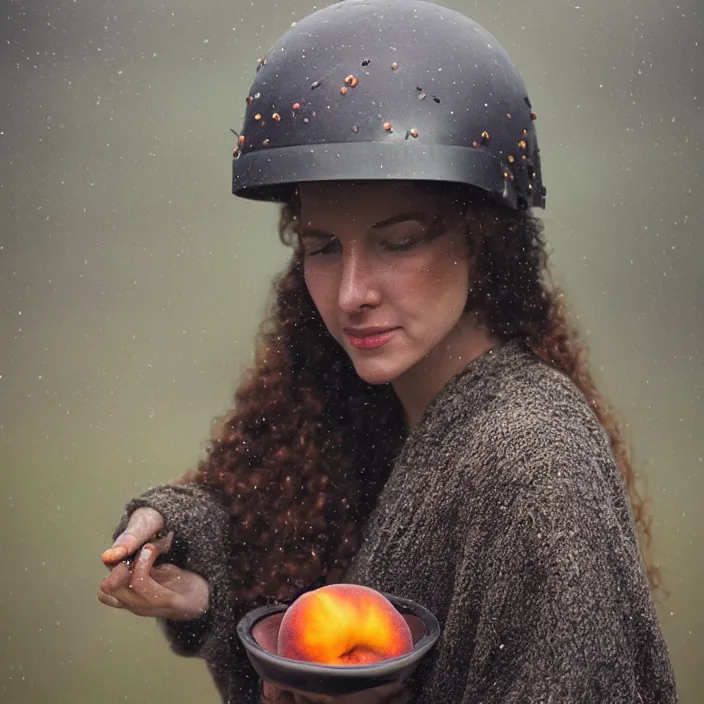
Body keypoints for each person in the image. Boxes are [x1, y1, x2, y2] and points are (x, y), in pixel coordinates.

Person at [97, 1, 677, 702]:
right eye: (322, 247)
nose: (350, 293)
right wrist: (195, 559)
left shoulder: (534, 462)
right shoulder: (368, 411)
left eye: (399, 241)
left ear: (481, 238)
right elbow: (306, 553)